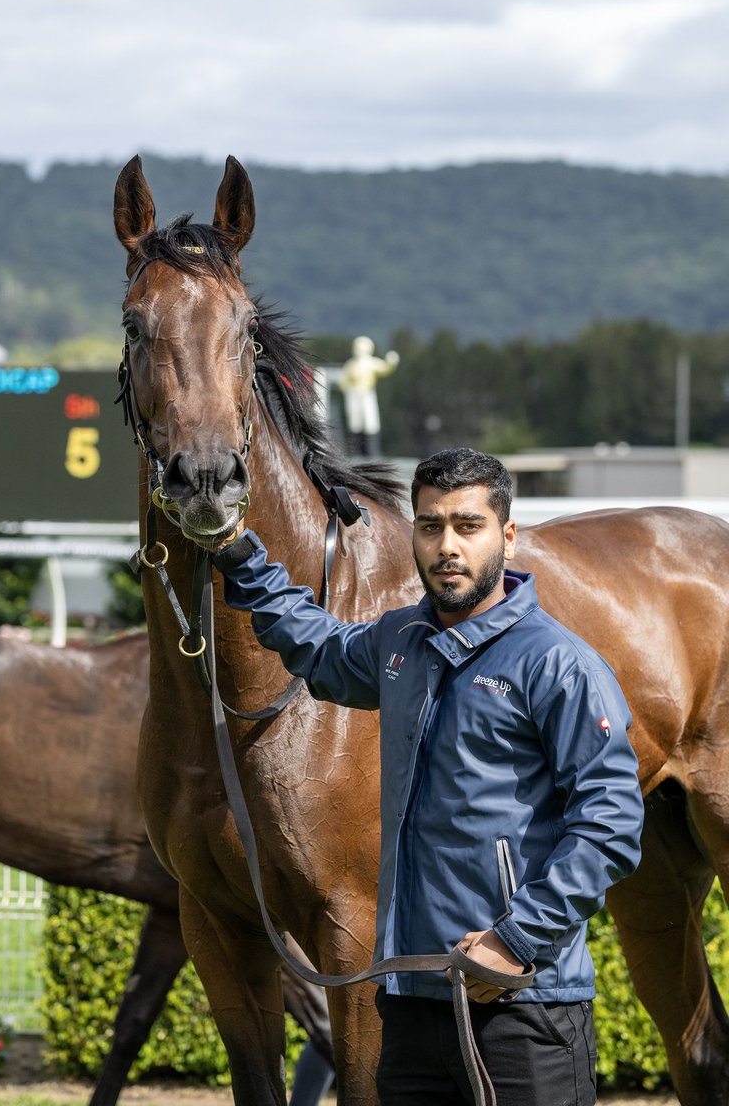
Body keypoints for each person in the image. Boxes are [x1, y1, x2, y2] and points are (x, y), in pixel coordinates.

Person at [212, 447, 644, 1106]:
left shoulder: (560, 665)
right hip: (411, 1006)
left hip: (522, 1007)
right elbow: (317, 647)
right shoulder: (400, 644)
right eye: (431, 525)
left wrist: (516, 940)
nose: (448, 546)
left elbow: (611, 826)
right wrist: (237, 551)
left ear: (507, 536)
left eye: (468, 526)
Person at [338, 335, 399, 456]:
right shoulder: (351, 364)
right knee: (355, 422)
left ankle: (371, 450)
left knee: (370, 421)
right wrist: (346, 389)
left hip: (366, 394)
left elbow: (385, 368)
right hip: (353, 395)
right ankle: (354, 451)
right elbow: (343, 381)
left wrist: (392, 362)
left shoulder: (371, 363)